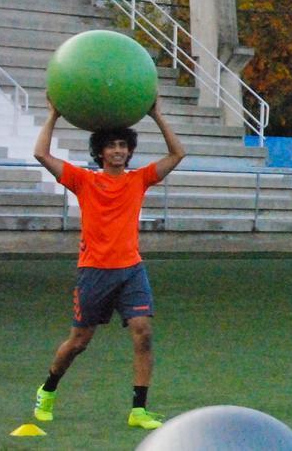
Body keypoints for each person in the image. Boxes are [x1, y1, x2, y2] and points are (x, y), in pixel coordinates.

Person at [30, 98, 185, 430]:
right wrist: (54, 115)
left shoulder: (138, 180)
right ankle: (48, 389)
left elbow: (177, 155)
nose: (118, 151)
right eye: (111, 146)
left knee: (143, 333)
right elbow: (41, 154)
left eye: (123, 146)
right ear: (100, 152)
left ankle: (139, 410)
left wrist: (157, 115)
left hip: (131, 270)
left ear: (129, 152)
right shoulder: (84, 180)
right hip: (94, 273)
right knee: (79, 342)